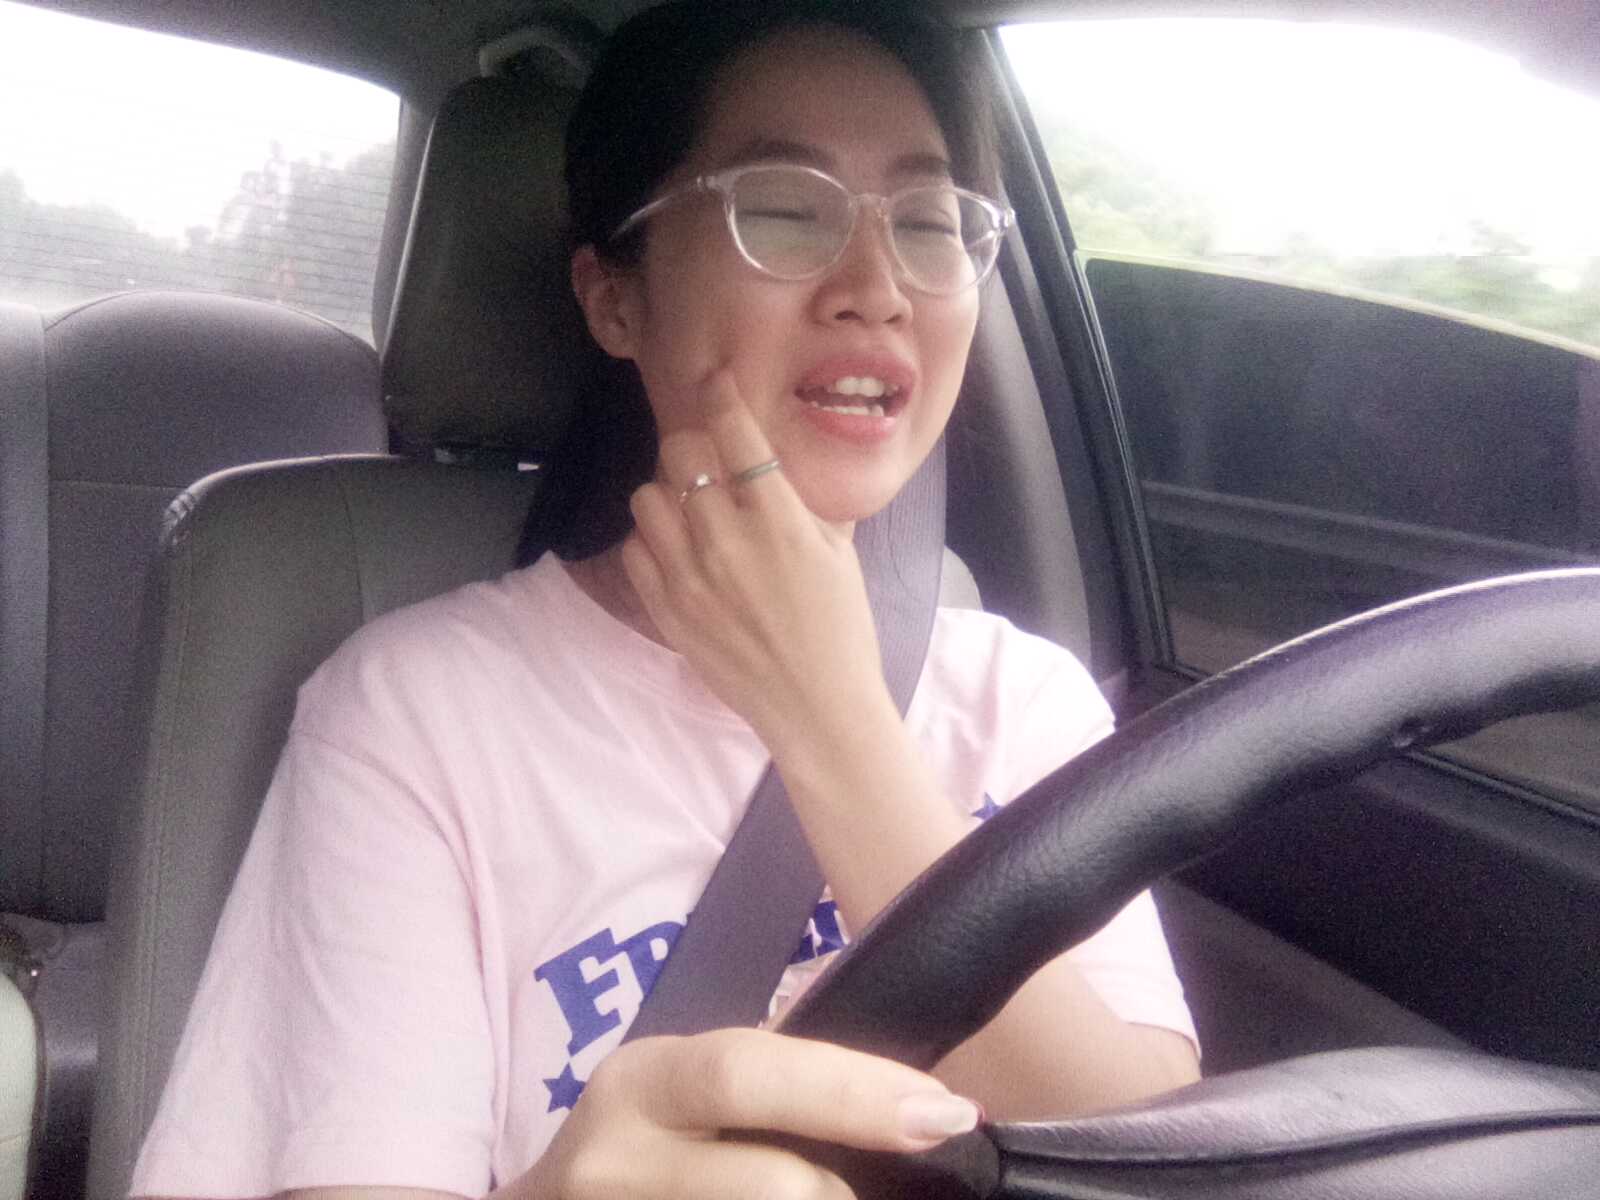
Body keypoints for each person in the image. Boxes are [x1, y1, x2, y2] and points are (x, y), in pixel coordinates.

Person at [131, 3, 1200, 1198]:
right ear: (614, 299)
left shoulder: (1027, 700)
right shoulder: (414, 717)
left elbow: (1153, 1156)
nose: (877, 286)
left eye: (927, 222)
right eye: (782, 210)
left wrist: (831, 722)